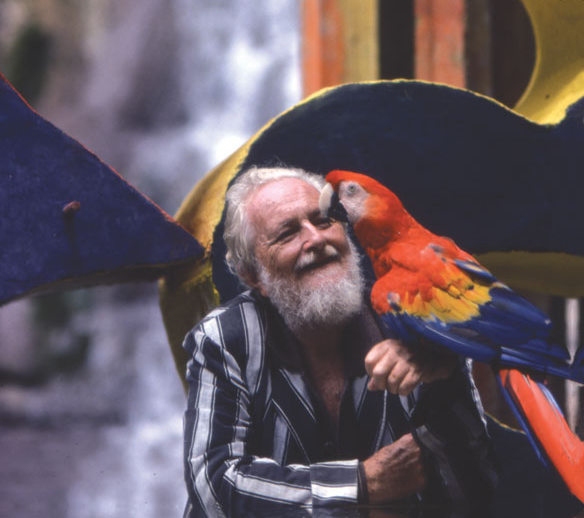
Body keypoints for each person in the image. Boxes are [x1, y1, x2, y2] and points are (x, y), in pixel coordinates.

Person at [183, 166, 497, 517]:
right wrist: (364, 482)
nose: (316, 239)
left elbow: (475, 486)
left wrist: (444, 376)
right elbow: (213, 488)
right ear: (255, 276)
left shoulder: (407, 313)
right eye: (287, 233)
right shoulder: (225, 339)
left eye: (323, 221)